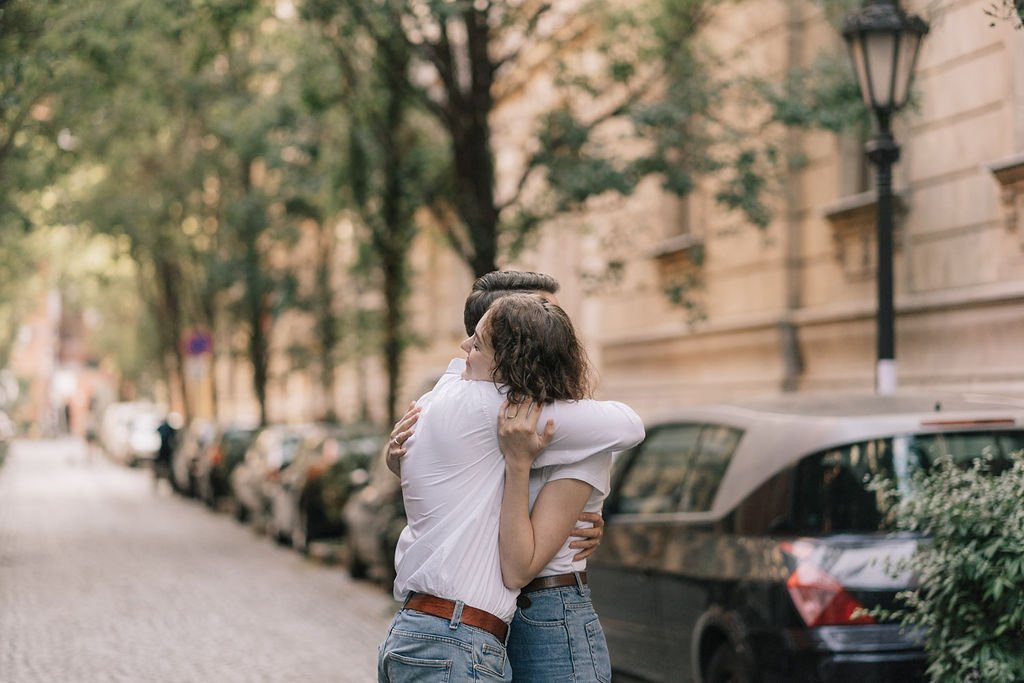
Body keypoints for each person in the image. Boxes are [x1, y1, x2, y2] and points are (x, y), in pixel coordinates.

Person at [377, 293, 644, 682]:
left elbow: (626, 428)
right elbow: (628, 423)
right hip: (458, 635)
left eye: (478, 342)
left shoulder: (459, 400)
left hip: (448, 628)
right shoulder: (489, 408)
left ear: (515, 357)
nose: (464, 348)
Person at [387, 270, 605, 561]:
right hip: (486, 595)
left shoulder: (569, 419)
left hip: (539, 593)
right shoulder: (467, 404)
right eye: (542, 315)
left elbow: (623, 427)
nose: (557, 330)